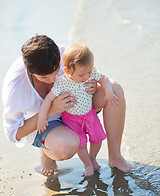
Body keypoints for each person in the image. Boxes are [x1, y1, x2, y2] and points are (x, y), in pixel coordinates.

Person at [2, 34, 132, 176]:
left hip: (77, 107)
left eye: (56, 70)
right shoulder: (15, 86)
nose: (53, 79)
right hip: (45, 123)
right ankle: (45, 150)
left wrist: (93, 85)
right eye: (44, 77)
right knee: (67, 146)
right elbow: (13, 133)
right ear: (29, 71)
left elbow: (92, 74)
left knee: (114, 89)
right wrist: (51, 111)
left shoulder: (66, 54)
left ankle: (115, 157)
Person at [37, 44, 119, 176]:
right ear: (68, 71)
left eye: (89, 72)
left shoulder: (89, 72)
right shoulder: (61, 83)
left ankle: (92, 159)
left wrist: (108, 92)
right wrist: (42, 118)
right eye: (82, 75)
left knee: (98, 138)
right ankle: (87, 164)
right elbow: (48, 100)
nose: (87, 76)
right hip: (72, 119)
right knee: (81, 144)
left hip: (90, 115)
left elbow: (104, 78)